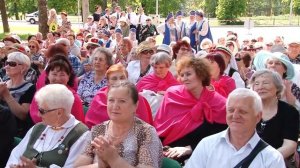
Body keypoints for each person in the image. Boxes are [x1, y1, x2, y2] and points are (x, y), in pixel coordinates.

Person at [185, 88, 286, 168]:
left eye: (243, 111)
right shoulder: (206, 145)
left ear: (258, 116)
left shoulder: (271, 158)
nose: (235, 115)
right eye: (231, 110)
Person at [154, 57, 227, 164]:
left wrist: (190, 148)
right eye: (182, 75)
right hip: (168, 154)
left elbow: (221, 138)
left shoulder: (219, 103)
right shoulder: (172, 94)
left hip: (202, 156)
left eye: (188, 74)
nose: (184, 79)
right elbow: (160, 128)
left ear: (201, 74)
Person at [75, 81, 163, 168]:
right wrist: (100, 165)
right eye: (111, 100)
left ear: (135, 106)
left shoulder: (146, 132)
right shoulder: (98, 130)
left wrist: (114, 159)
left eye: (122, 101)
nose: (115, 106)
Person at [6, 84, 89, 168]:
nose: (38, 114)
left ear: (59, 112)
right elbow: (15, 156)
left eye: (42, 111)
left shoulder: (81, 134)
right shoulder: (38, 127)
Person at [249, 70, 299, 165]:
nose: (260, 87)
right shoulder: (248, 109)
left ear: (277, 87)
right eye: (256, 83)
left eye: (266, 83)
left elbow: (290, 145)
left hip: (278, 161)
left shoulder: (289, 111)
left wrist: (265, 160)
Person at [85, 64, 153, 128]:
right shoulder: (99, 97)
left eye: (122, 78)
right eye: (114, 78)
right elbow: (90, 125)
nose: (119, 81)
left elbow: (144, 128)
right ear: (108, 82)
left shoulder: (137, 98)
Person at [30, 55, 85, 124]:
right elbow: (35, 115)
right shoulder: (41, 94)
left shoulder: (73, 98)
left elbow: (78, 126)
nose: (58, 79)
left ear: (68, 77)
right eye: (54, 74)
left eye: (62, 75)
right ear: (48, 75)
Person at [0, 52, 36, 138]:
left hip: (13, 133)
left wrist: (6, 95)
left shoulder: (30, 88)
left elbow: (23, 115)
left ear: (23, 67)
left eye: (12, 64)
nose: (6, 67)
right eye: (6, 63)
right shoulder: (3, 83)